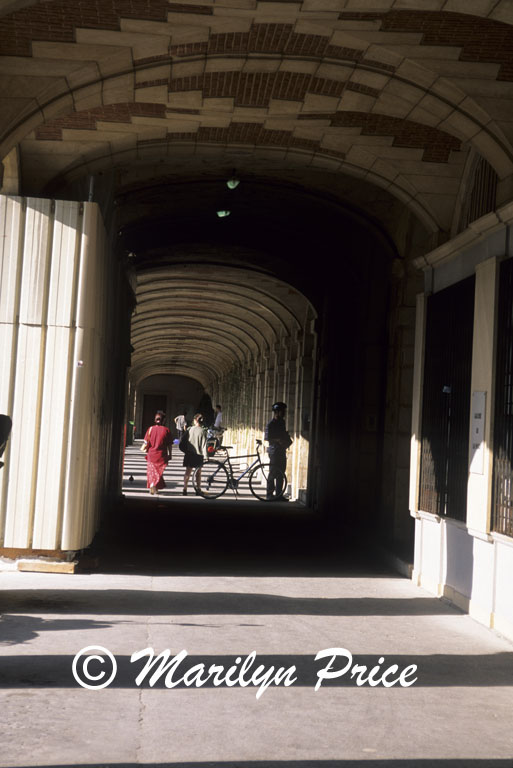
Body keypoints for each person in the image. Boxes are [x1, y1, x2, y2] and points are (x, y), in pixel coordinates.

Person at [264, 401, 292, 501]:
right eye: (282, 411)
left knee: (281, 473)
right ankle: (269, 494)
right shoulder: (270, 424)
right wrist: (278, 440)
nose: (284, 413)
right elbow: (267, 438)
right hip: (274, 451)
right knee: (273, 472)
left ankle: (279, 494)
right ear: (277, 412)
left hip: (281, 450)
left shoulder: (282, 423)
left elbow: (283, 434)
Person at [142, 411, 172, 495]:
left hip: (151, 454)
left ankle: (153, 485)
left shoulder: (150, 429)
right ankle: (154, 486)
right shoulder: (167, 430)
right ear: (163, 420)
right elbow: (169, 444)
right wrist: (170, 454)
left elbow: (145, 441)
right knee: (159, 472)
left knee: (152, 472)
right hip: (161, 456)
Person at [182, 413, 208, 496]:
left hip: (189, 453)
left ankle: (185, 488)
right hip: (198, 455)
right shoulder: (203, 431)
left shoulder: (189, 429)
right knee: (198, 473)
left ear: (195, 420)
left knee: (188, 472)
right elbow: (204, 444)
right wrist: (206, 456)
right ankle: (198, 489)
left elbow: (183, 440)